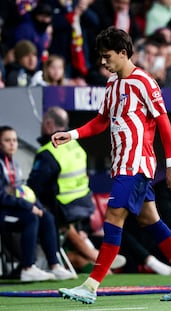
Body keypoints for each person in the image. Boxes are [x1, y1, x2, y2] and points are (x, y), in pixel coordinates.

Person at [53, 26, 171, 304]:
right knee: (149, 220)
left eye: (107, 56)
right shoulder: (111, 84)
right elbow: (100, 121)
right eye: (100, 57)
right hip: (121, 164)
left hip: (136, 164)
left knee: (113, 218)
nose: (103, 62)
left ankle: (91, 286)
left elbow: (164, 122)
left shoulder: (144, 81)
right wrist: (71, 134)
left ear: (123, 53)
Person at [26, 106, 126, 274]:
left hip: (63, 210)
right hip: (83, 207)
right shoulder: (75, 146)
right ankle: (97, 260)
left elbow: (35, 187)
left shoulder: (48, 151)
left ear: (49, 124)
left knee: (52, 215)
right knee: (71, 241)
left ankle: (97, 257)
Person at [0, 126, 75, 282]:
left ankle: (54, 265)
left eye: (14, 140)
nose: (12, 144)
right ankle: (28, 268)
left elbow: (24, 191)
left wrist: (38, 207)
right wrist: (29, 207)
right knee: (31, 218)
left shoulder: (16, 165)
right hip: (3, 213)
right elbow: (2, 197)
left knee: (46, 217)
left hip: (15, 210)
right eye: (7, 140)